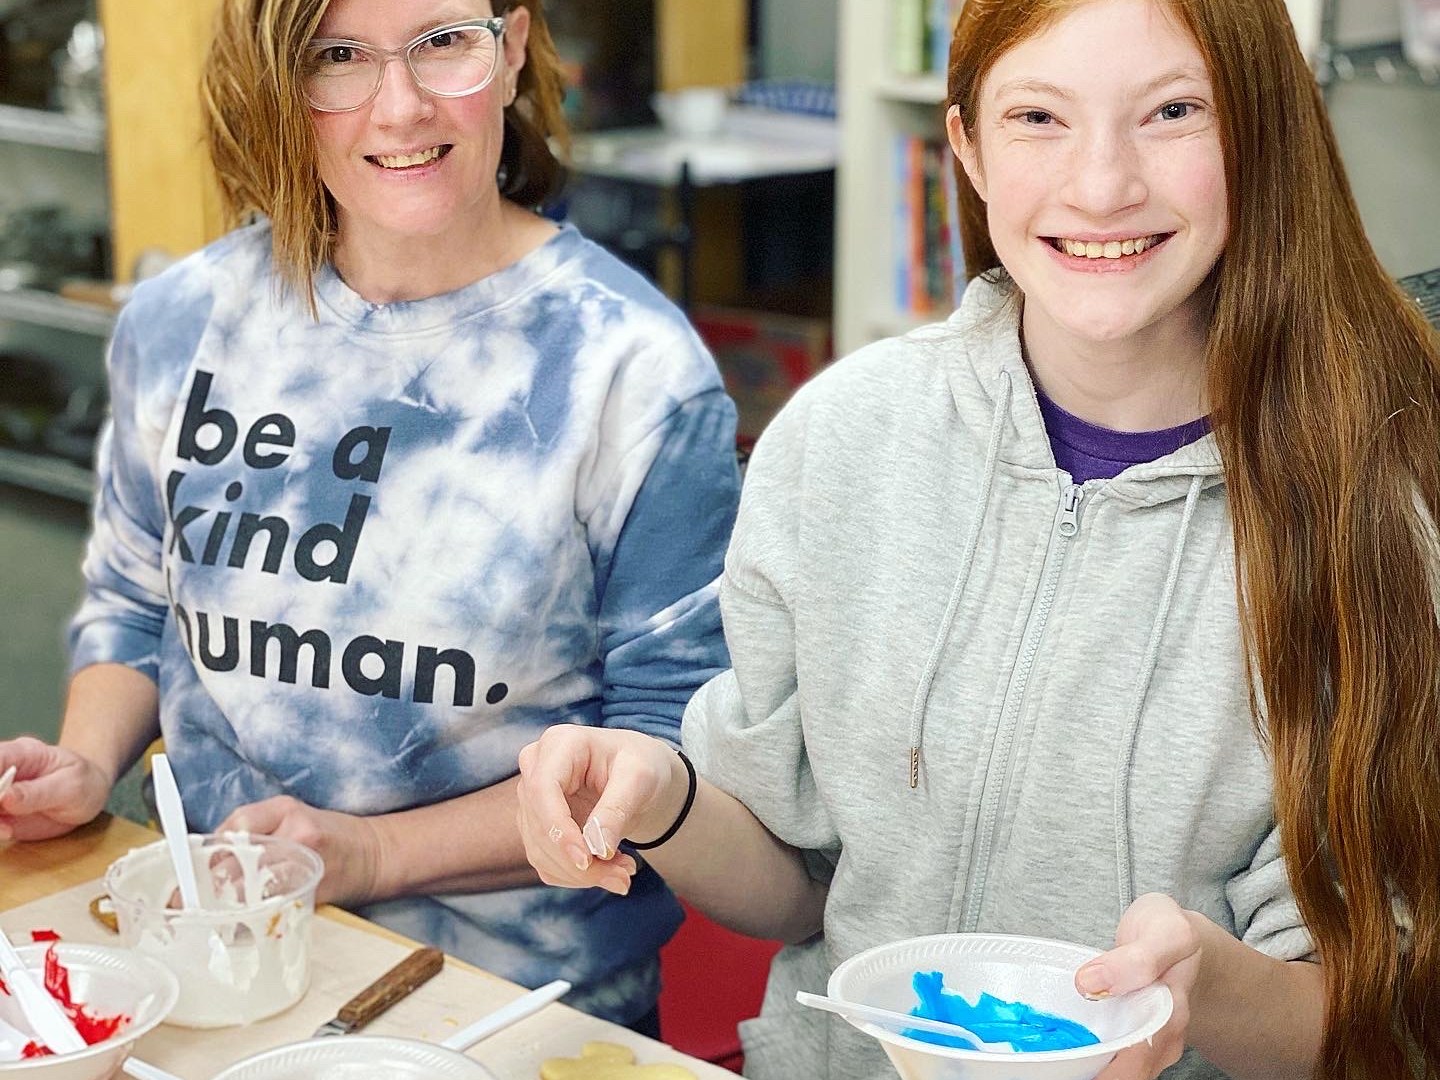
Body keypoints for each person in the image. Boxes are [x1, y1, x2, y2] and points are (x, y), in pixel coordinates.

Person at [514, 0, 1440, 1076]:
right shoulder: (836, 437)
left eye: (1174, 112)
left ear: (1262, 133)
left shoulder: (1380, 501)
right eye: (1038, 116)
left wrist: (1208, 994)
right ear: (968, 147)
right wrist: (661, 794)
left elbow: (1381, 1022)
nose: (1102, 185)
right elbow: (795, 884)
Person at [0, 0, 740, 1034]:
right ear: (276, 78)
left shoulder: (631, 373)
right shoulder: (185, 321)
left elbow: (664, 746)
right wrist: (87, 762)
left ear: (514, 44)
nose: (399, 108)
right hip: (213, 961)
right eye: (335, 57)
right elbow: (135, 600)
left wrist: (372, 852)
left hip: (512, 1005)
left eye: (443, 42)